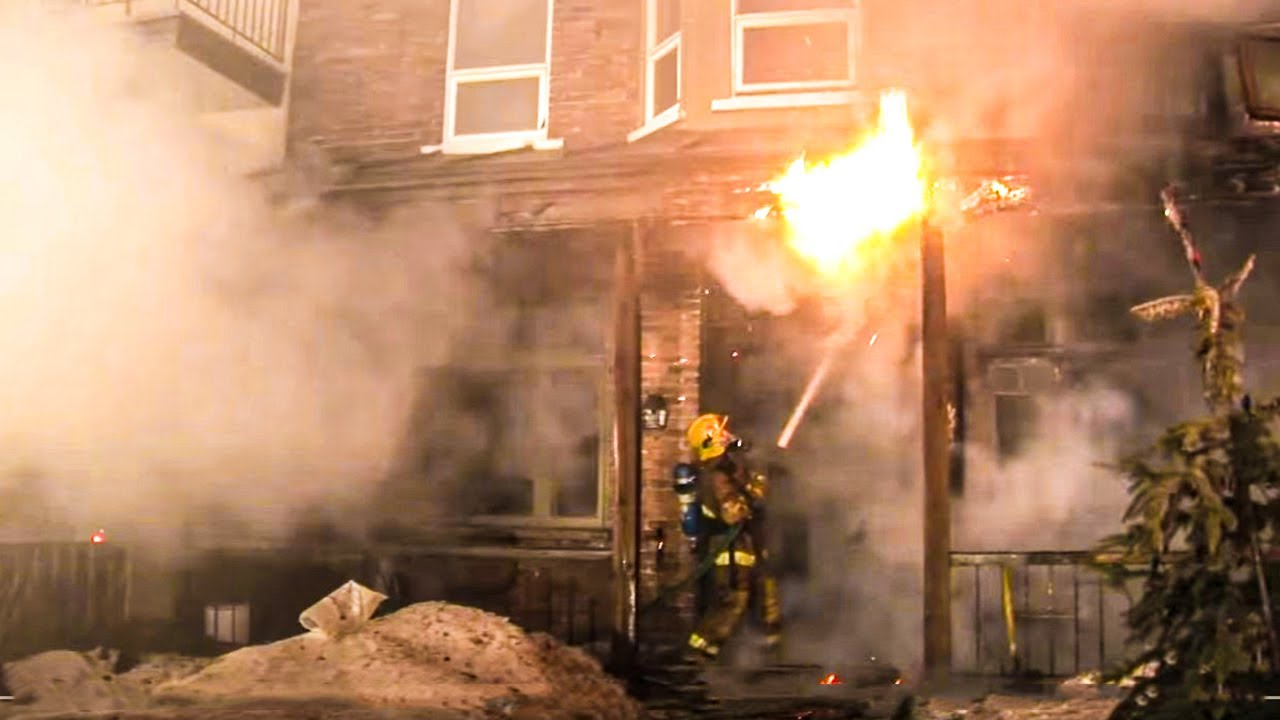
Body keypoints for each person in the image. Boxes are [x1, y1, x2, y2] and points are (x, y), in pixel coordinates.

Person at [679, 413, 783, 663]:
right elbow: (732, 514)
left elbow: (752, 493)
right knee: (733, 601)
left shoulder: (730, 469)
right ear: (710, 441)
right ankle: (700, 653)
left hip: (745, 545)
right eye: (721, 433)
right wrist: (755, 492)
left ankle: (769, 652)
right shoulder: (716, 476)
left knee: (764, 593)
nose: (728, 436)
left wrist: (759, 475)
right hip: (729, 548)